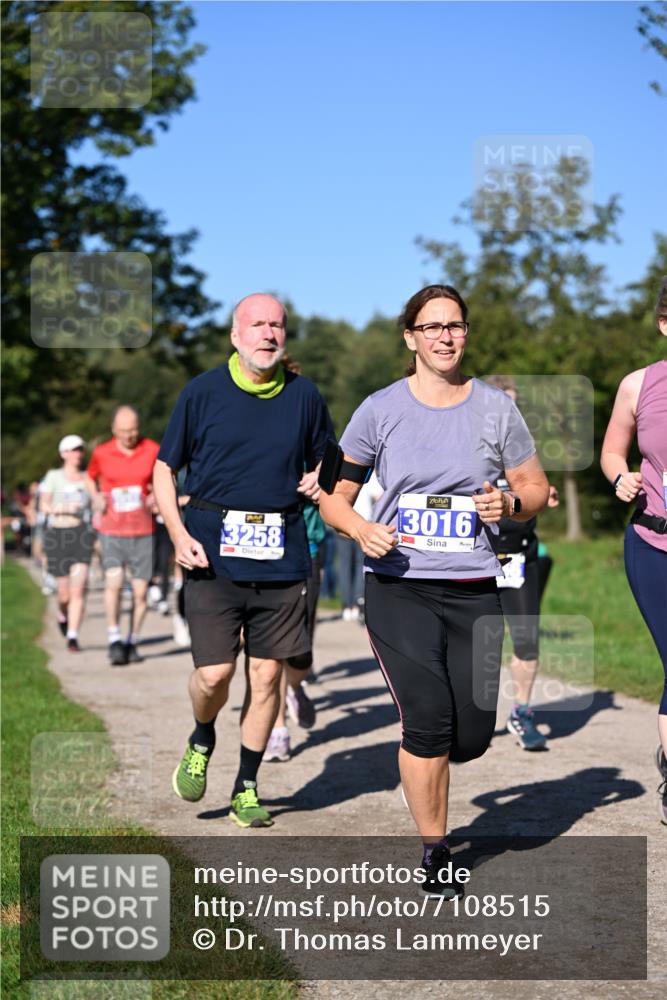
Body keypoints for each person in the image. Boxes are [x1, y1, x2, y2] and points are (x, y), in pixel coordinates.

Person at [319, 284, 549, 895]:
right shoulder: (380, 409)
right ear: (411, 337)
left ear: (466, 334)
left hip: (475, 586)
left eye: (455, 326)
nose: (445, 336)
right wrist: (362, 529)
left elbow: (534, 489)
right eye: (432, 327)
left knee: (469, 736)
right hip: (401, 585)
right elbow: (335, 501)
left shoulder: (497, 408)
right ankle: (435, 847)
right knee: (427, 719)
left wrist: (508, 502)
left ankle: (424, 774)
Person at [153, 293, 333, 829]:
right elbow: (165, 470)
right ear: (236, 335)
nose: (268, 333)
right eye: (257, 324)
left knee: (268, 676)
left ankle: (246, 787)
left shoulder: (304, 396)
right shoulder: (202, 392)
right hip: (210, 554)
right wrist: (177, 533)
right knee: (213, 675)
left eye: (276, 325)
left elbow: (335, 455)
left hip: (281, 557)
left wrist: (321, 473)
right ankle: (202, 735)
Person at [601, 278, 667, 825]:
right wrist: (621, 477)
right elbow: (612, 453)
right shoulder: (638, 386)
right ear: (665, 325)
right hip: (652, 541)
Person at [486, 375, 560, 751]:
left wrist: (543, 493)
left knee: (527, 641)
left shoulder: (523, 446)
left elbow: (535, 485)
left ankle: (522, 712)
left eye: (514, 404)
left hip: (519, 556)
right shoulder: (466, 442)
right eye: (502, 402)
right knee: (460, 642)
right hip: (474, 558)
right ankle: (448, 717)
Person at [86, 407, 160, 666]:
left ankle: (133, 640)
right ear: (114, 429)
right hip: (112, 530)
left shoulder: (151, 449)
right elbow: (89, 477)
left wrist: (155, 496)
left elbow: (163, 479)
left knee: (140, 592)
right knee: (114, 585)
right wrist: (95, 496)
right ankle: (114, 638)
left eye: (134, 429)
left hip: (143, 530)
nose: (130, 435)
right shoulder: (102, 452)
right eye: (125, 431)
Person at [39, 435, 94, 651]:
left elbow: (97, 502)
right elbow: (43, 505)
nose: (77, 454)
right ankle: (62, 614)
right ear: (64, 454)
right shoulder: (53, 476)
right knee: (64, 594)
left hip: (80, 533)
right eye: (72, 450)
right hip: (58, 534)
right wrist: (61, 508)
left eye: (80, 450)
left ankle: (72, 636)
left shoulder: (87, 478)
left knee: (78, 590)